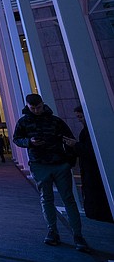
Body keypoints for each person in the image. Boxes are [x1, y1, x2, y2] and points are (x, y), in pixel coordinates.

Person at [13, 94, 89, 252]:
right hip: (40, 165)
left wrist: (69, 161)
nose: (36, 110)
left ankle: (78, 235)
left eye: (38, 107)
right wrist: (30, 142)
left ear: (42, 104)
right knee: (46, 199)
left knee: (68, 199)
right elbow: (17, 139)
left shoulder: (55, 121)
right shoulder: (24, 122)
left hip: (59, 164)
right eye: (33, 108)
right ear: (28, 106)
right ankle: (52, 231)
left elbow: (69, 139)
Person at [63, 106, 113, 223]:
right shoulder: (88, 130)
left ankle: (100, 213)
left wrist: (75, 145)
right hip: (90, 168)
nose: (79, 120)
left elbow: (91, 150)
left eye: (80, 117)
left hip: (93, 168)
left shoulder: (90, 131)